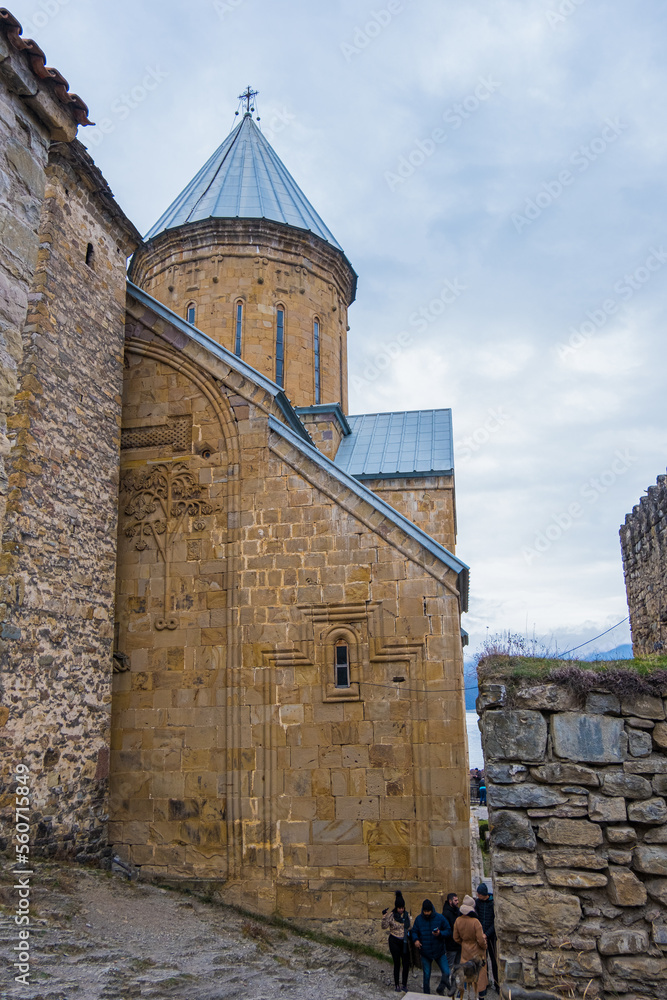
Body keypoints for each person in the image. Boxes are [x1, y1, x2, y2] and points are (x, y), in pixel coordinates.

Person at [411, 899, 450, 996]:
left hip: (439, 951)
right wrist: (416, 940)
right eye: (425, 911)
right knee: (426, 976)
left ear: (431, 910)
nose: (427, 913)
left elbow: (448, 930)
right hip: (425, 952)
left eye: (428, 911)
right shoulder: (419, 919)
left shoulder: (440, 918)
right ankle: (426, 996)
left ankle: (440, 988)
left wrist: (440, 933)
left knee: (446, 972)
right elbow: (414, 931)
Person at [453, 895, 488, 996]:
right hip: (477, 953)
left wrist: (464, 943)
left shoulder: (458, 920)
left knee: (464, 974)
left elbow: (455, 937)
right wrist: (485, 946)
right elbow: (481, 940)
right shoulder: (475, 922)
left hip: (465, 952)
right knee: (479, 977)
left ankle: (461, 996)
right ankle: (480, 996)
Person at [382, 891, 412, 993]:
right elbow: (384, 926)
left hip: (404, 941)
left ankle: (404, 984)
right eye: (399, 908)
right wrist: (384, 918)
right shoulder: (391, 915)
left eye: (402, 908)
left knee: (406, 963)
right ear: (396, 907)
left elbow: (410, 926)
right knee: (397, 963)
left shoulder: (407, 915)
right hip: (394, 940)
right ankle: (396, 984)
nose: (401, 910)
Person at [475, 883, 497, 993]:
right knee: (483, 961)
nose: (477, 895)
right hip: (481, 936)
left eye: (479, 894)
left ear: (483, 894)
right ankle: (485, 983)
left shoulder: (492, 903)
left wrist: (487, 934)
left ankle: (497, 984)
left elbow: (495, 922)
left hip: (491, 937)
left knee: (494, 961)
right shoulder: (477, 903)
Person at [441, 892, 462, 972]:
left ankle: (455, 984)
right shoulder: (446, 914)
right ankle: (449, 983)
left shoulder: (457, 911)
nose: (457, 902)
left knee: (458, 967)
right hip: (451, 946)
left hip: (458, 945)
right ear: (450, 901)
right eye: (455, 900)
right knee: (450, 967)